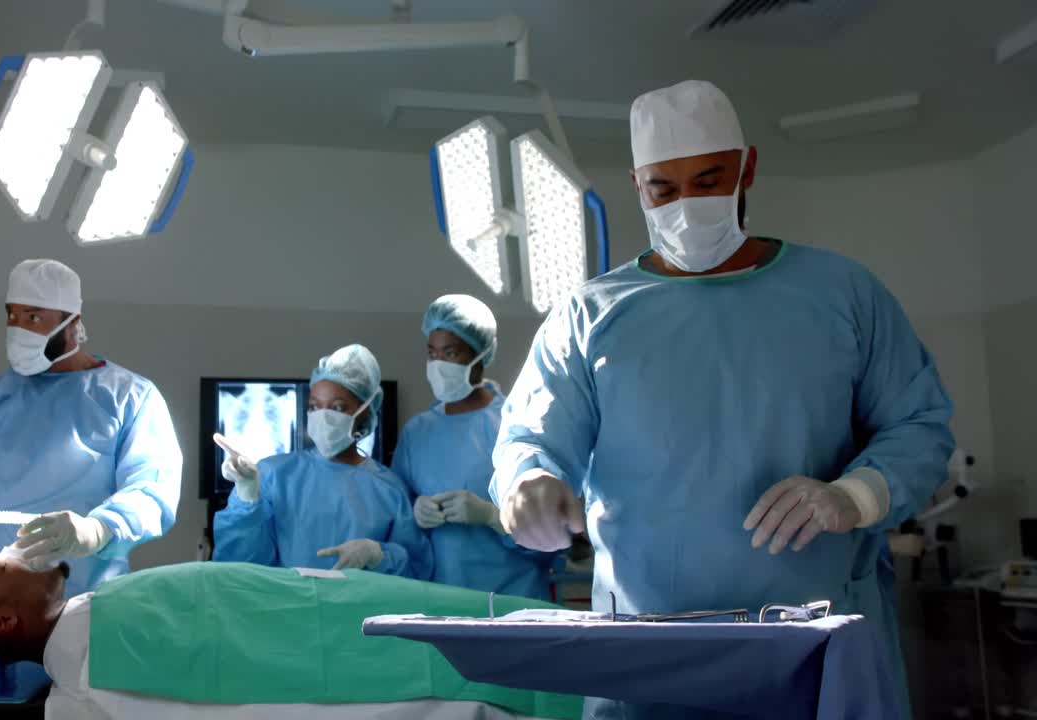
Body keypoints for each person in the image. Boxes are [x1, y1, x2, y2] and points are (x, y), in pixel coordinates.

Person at [489, 80, 954, 720]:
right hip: (649, 660)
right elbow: (531, 438)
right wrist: (530, 481)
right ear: (637, 186)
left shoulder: (842, 293)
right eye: (664, 189)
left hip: (815, 651)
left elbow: (919, 423)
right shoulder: (590, 315)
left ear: (748, 168)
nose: (687, 206)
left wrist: (854, 496)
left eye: (709, 182)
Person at [0, 558, 582, 719]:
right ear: (4, 623)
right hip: (388, 653)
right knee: (539, 661)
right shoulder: (108, 633)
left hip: (370, 633)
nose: (15, 553)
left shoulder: (78, 692)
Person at [0, 258, 183, 598]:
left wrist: (97, 529)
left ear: (73, 323)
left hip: (91, 608)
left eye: (34, 317)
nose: (18, 328)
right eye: (12, 315)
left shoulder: (130, 397)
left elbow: (150, 488)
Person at [213, 344, 432, 579]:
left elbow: (416, 573)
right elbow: (238, 565)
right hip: (286, 609)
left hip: (359, 613)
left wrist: (379, 555)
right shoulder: (273, 474)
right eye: (314, 406)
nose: (323, 416)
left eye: (337, 407)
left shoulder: (389, 489)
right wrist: (246, 495)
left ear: (366, 412)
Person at [393, 295, 552, 599]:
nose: (438, 365)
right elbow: (398, 523)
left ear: (481, 355)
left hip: (512, 602)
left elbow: (549, 538)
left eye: (450, 353)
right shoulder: (418, 432)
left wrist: (493, 517)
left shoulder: (516, 425)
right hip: (439, 601)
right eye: (432, 353)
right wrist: (414, 514)